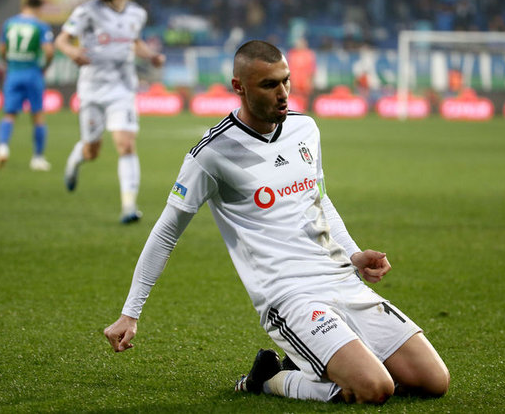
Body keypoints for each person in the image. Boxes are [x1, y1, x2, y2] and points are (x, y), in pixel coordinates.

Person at [104, 40, 450, 404]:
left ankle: (324, 360)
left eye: (285, 81)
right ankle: (269, 379)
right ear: (239, 87)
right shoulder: (211, 154)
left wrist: (353, 254)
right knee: (375, 388)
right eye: (269, 85)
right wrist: (130, 313)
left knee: (434, 381)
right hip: (288, 296)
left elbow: (318, 200)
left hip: (341, 280)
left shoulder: (305, 129)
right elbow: (165, 234)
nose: (283, 93)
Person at [55, 0, 165, 224]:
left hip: (122, 89)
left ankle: (129, 206)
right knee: (91, 151)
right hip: (92, 90)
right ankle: (76, 158)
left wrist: (151, 56)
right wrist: (72, 51)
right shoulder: (86, 11)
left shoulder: (137, 14)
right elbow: (61, 40)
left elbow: (134, 42)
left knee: (125, 144)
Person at [0, 0, 54, 171]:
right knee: (38, 116)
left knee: (9, 115)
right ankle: (38, 158)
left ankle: (3, 148)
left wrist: (8, 62)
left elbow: (2, 48)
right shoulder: (40, 26)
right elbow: (49, 51)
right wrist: (44, 67)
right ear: (39, 8)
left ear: (24, 6)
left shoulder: (9, 23)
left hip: (13, 72)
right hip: (32, 73)